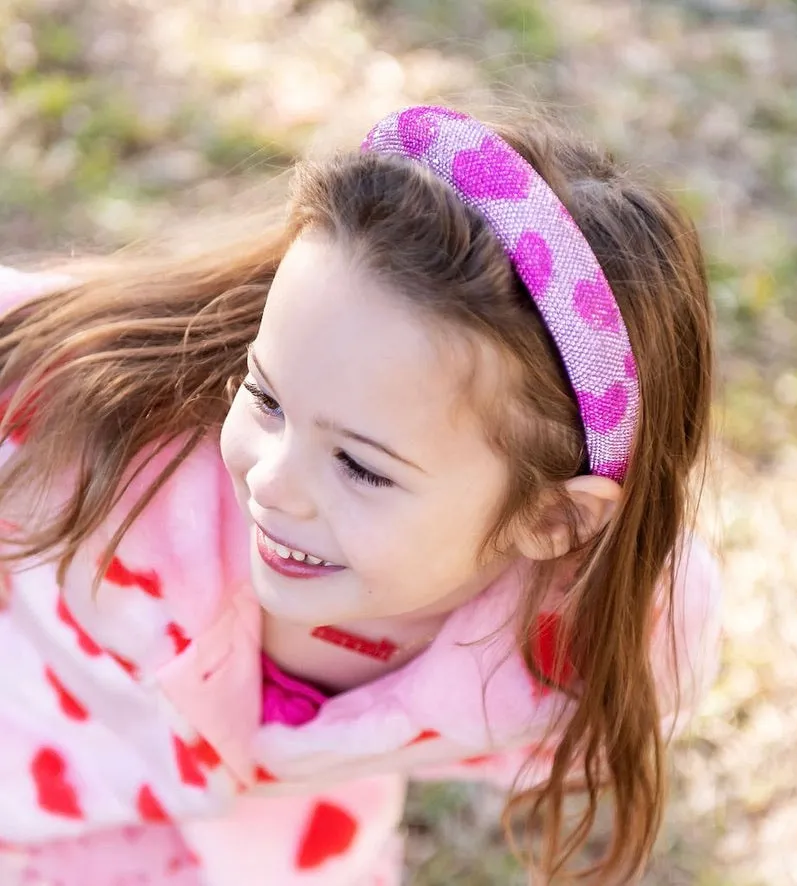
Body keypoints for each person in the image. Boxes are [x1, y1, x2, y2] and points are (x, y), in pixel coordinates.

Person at [0, 106, 722, 885]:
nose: (272, 478)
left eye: (361, 467)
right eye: (267, 398)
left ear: (551, 517)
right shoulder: (82, 428)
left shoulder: (574, 640)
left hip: (276, 850)